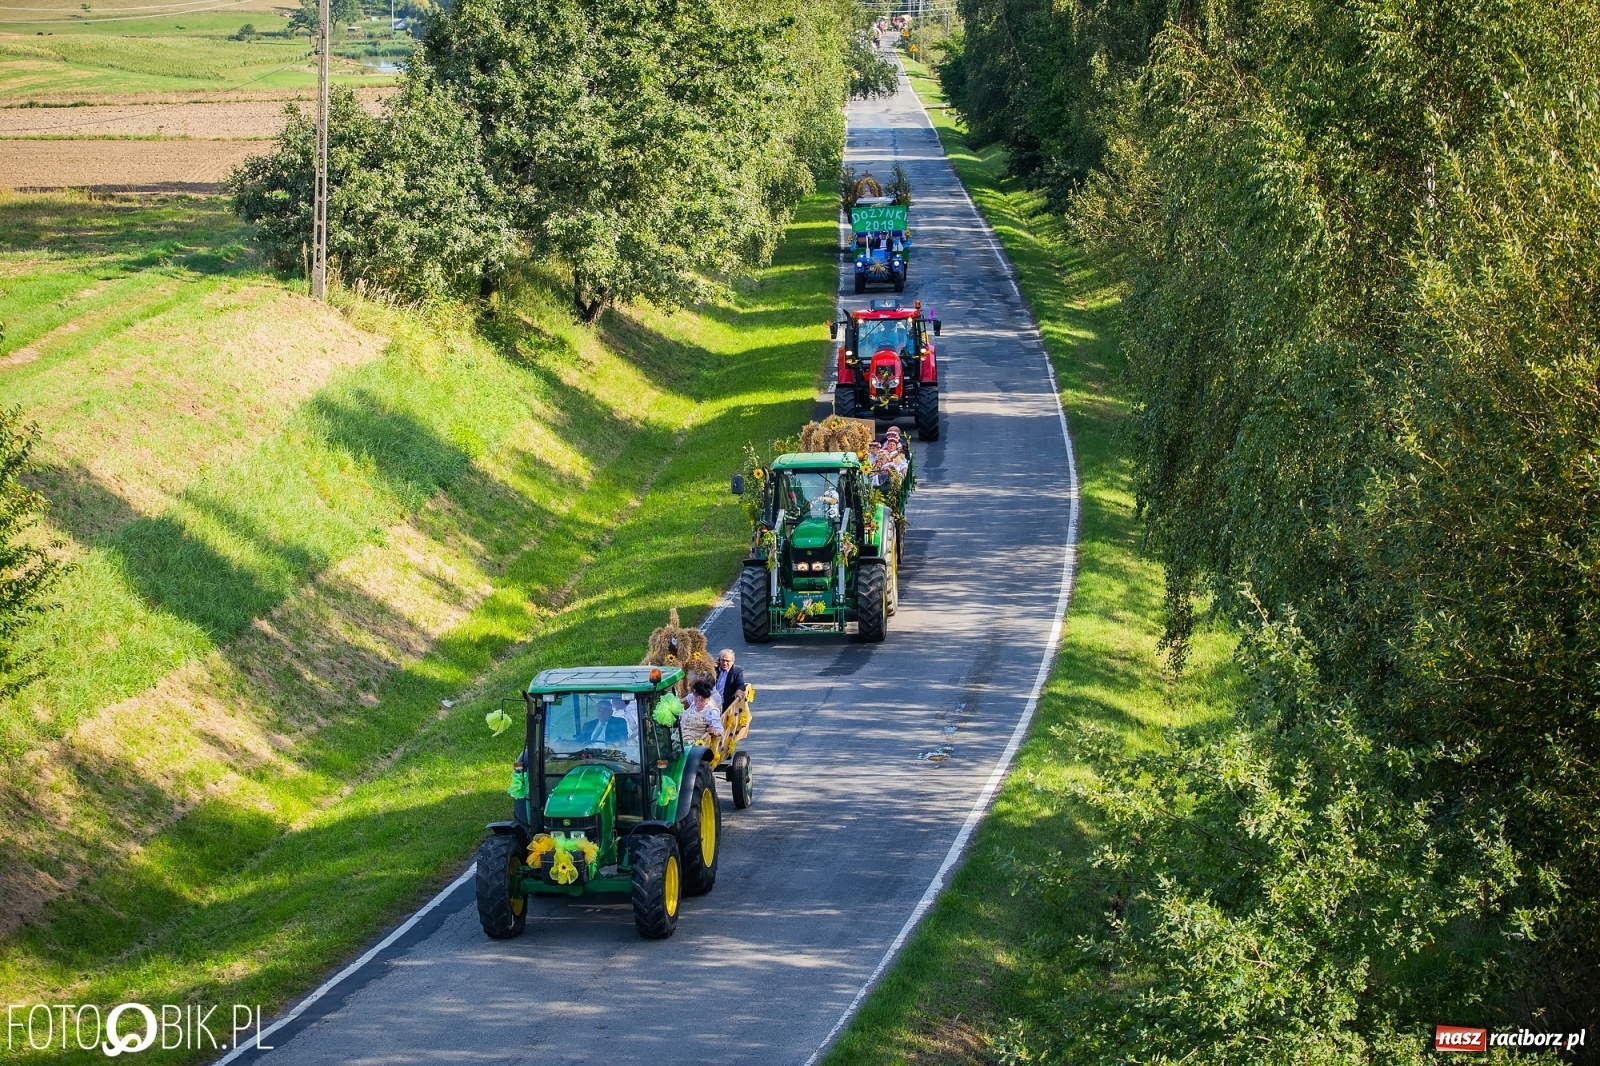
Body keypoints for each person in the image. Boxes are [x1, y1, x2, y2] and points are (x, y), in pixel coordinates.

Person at [679, 679, 724, 749]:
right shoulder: (694, 704)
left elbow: (720, 730)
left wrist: (713, 731)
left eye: (694, 696)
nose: (693, 697)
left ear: (699, 698)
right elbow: (689, 697)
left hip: (693, 743)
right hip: (679, 737)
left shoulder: (711, 711)